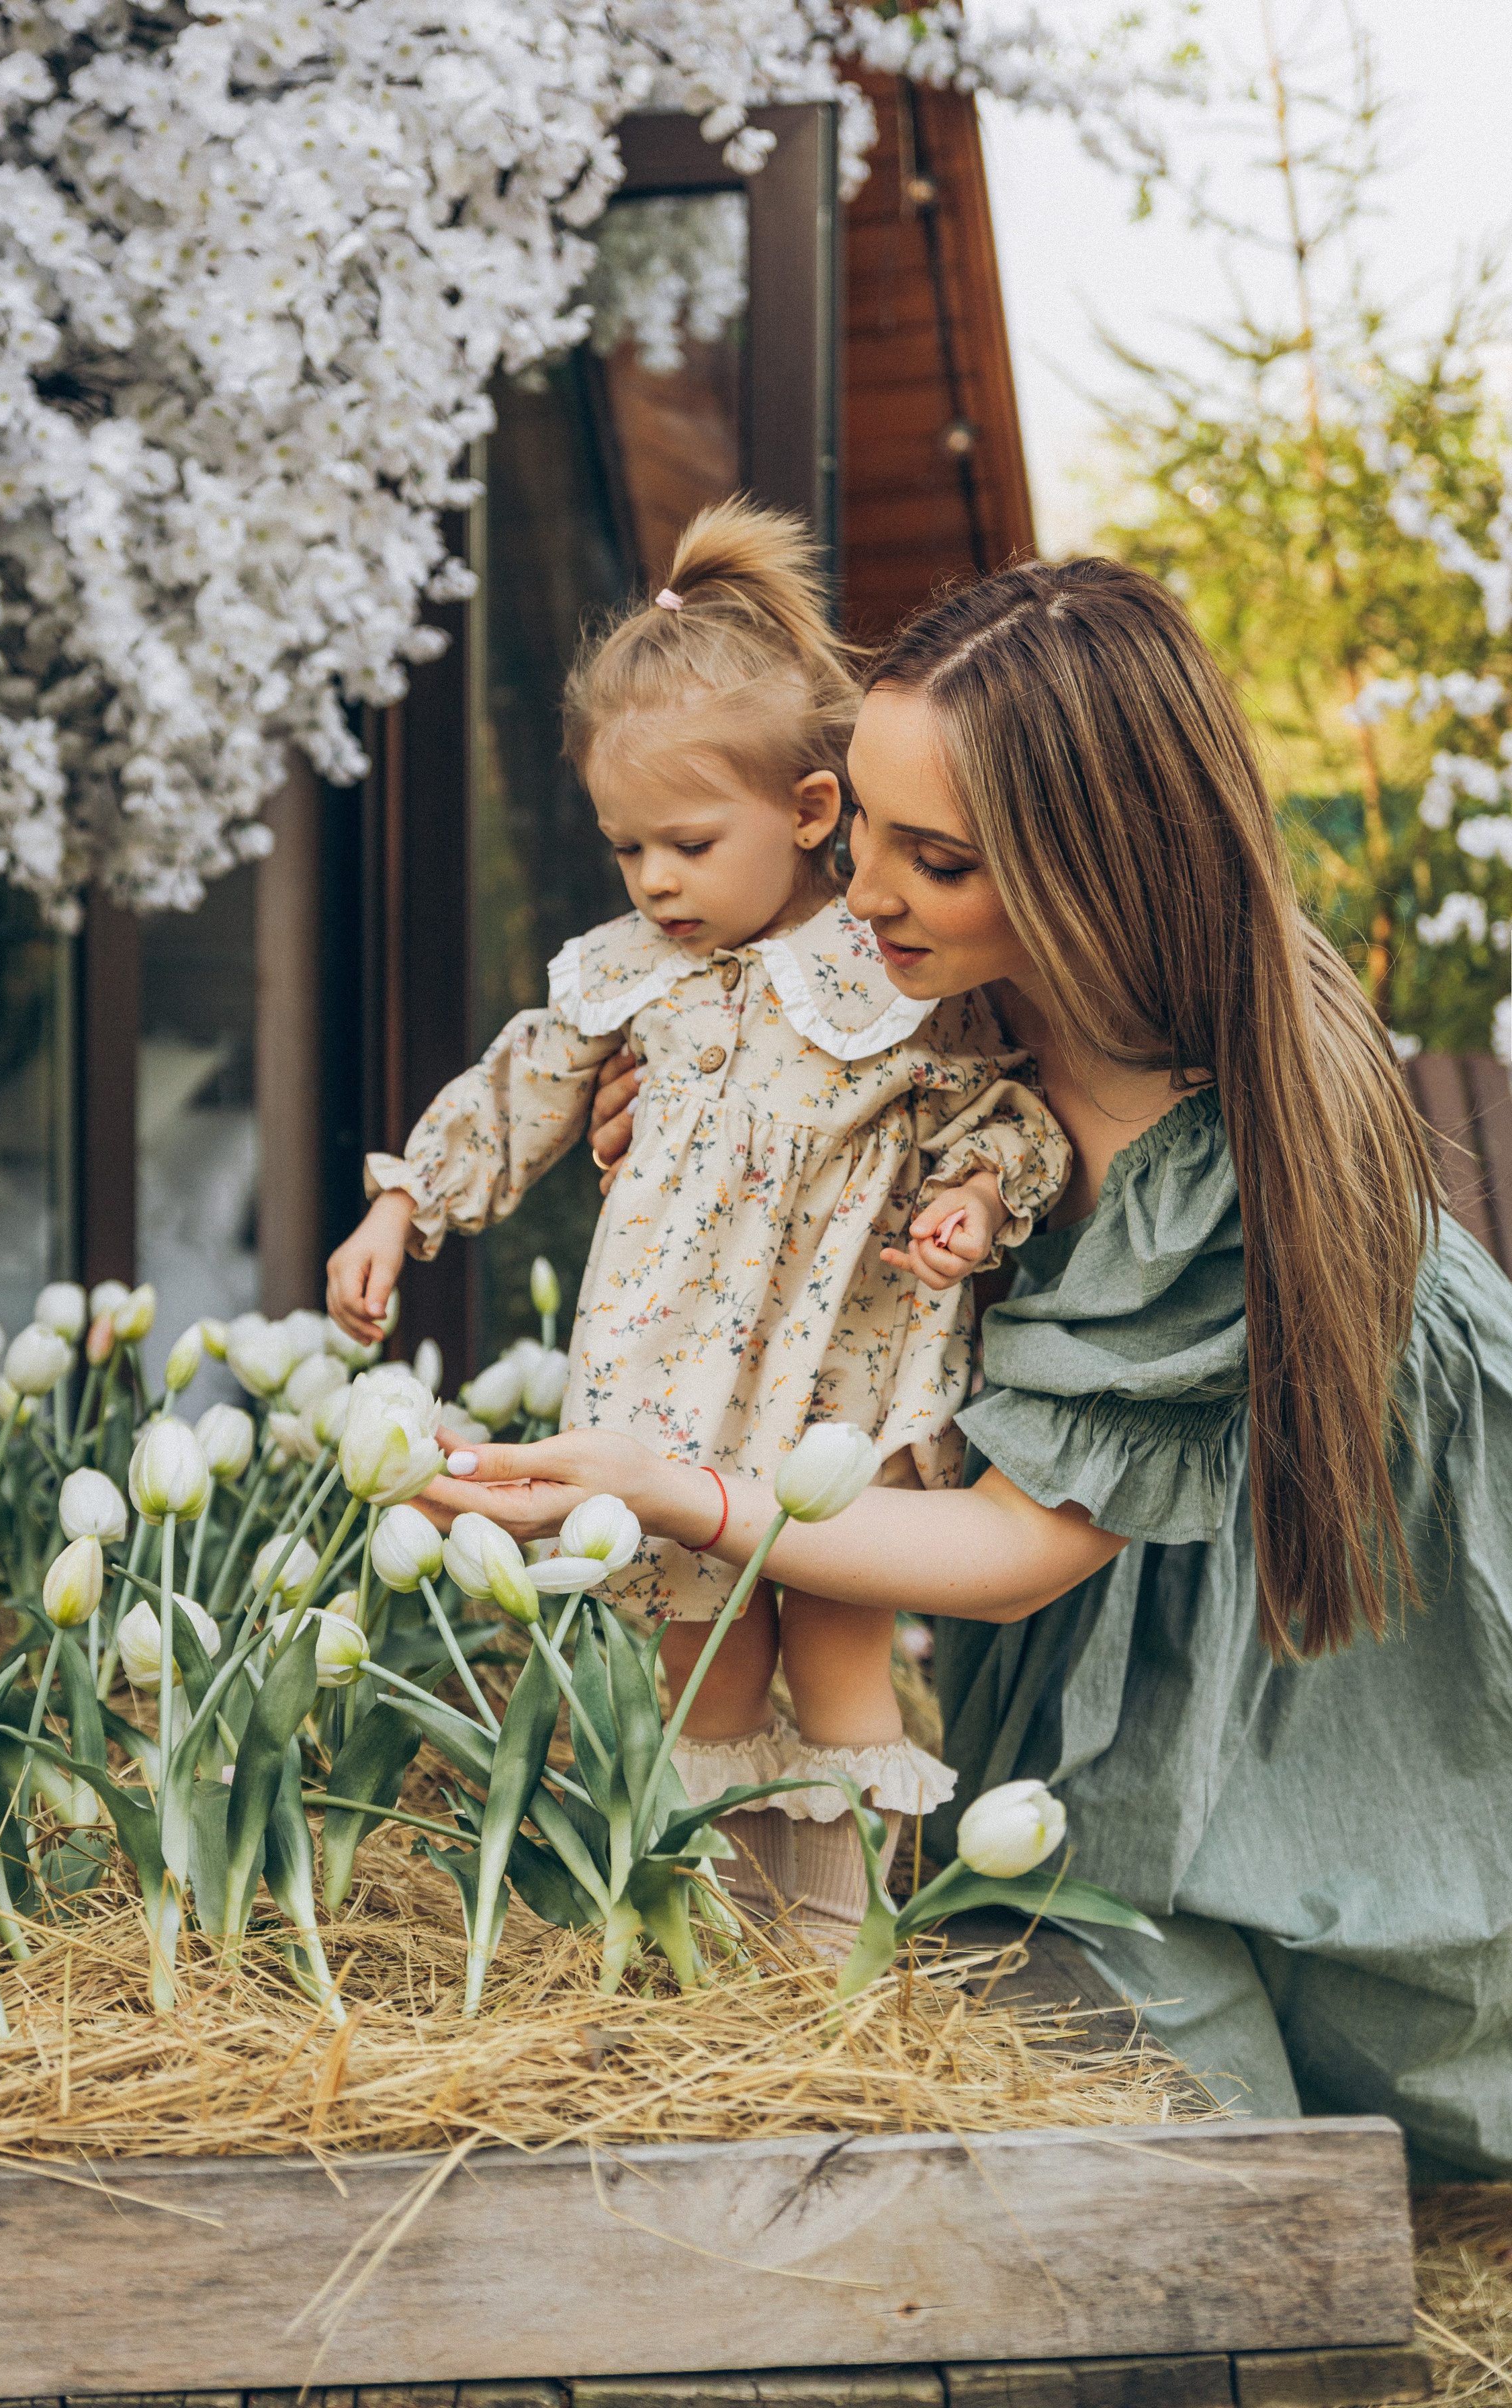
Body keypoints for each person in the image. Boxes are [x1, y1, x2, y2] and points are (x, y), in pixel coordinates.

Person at [424, 555, 1512, 2180]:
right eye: (854, 825)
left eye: (932, 860)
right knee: (1076, 2045)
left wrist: (683, 1495)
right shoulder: (921, 1000)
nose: (859, 891)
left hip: (1332, 1617)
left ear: (1094, 877)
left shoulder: (1217, 1137)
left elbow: (1014, 1547)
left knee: (1337, 2078)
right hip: (1097, 1612)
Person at [328, 499, 1070, 1953]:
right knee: (701, 1667)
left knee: (842, 1651)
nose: (655, 880)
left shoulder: (889, 968)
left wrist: (977, 1199)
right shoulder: (626, 975)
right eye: (625, 850)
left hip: (835, 1383)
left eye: (684, 842)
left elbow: (996, 1111)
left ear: (806, 812)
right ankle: (715, 1954)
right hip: (670, 1387)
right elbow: (523, 1080)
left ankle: (843, 1964)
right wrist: (401, 1201)